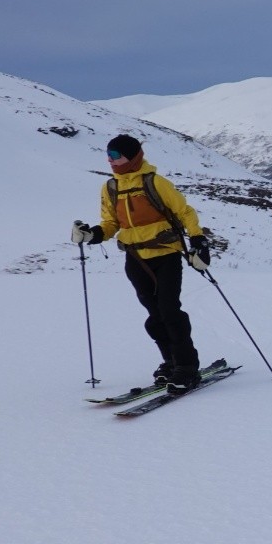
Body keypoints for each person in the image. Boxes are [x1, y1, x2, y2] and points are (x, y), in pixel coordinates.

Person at [71, 135, 214, 394]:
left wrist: (198, 240)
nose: (111, 160)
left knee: (170, 311)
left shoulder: (156, 182)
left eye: (116, 155)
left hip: (166, 254)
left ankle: (187, 367)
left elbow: (185, 212)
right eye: (108, 155)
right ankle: (171, 362)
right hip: (135, 258)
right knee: (155, 316)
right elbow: (111, 223)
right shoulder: (110, 187)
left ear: (133, 156)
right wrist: (92, 235)